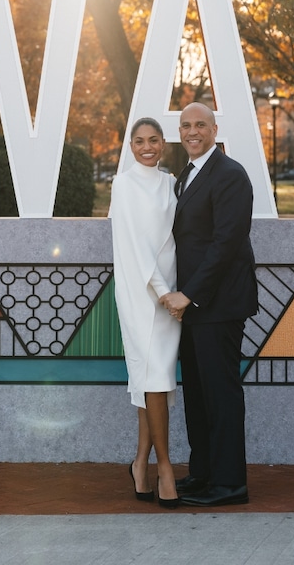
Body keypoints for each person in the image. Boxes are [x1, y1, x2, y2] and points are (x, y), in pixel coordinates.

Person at [160, 101, 258, 507]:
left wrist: (189, 294)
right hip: (194, 307)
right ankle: (203, 474)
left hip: (219, 304)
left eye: (200, 124)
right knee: (198, 396)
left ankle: (230, 483)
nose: (192, 131)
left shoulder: (230, 174)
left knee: (220, 395)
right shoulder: (187, 173)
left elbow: (225, 244)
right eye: (186, 125)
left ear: (215, 130)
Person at [109, 117, 182, 508]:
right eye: (139, 141)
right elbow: (136, 246)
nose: (147, 147)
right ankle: (165, 468)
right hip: (142, 294)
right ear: (130, 146)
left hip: (171, 294)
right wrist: (163, 293)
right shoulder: (123, 184)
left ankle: (140, 464)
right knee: (154, 377)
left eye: (154, 140)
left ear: (163, 144)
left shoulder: (170, 183)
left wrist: (174, 292)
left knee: (153, 381)